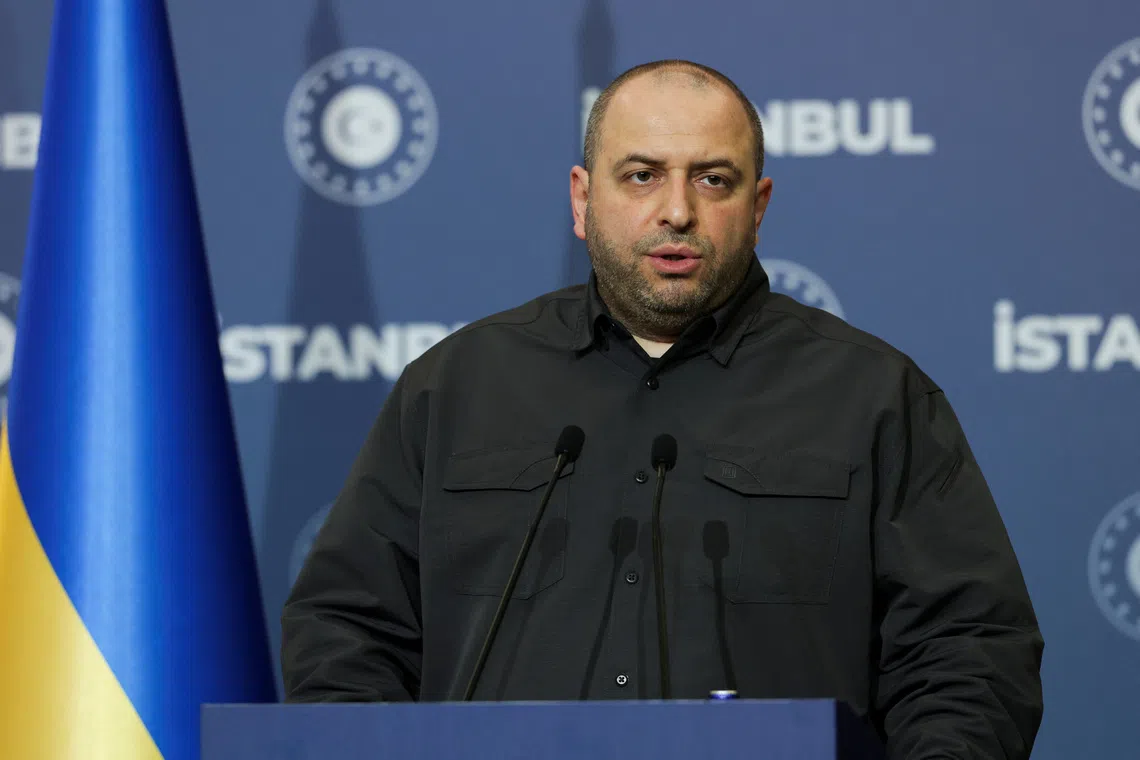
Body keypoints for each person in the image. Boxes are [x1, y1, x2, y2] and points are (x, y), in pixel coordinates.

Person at [280, 59, 1044, 759]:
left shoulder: (875, 396)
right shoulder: (454, 387)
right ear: (584, 199)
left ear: (759, 205)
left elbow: (968, 652)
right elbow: (347, 630)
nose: (677, 210)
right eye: (641, 175)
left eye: (713, 180)